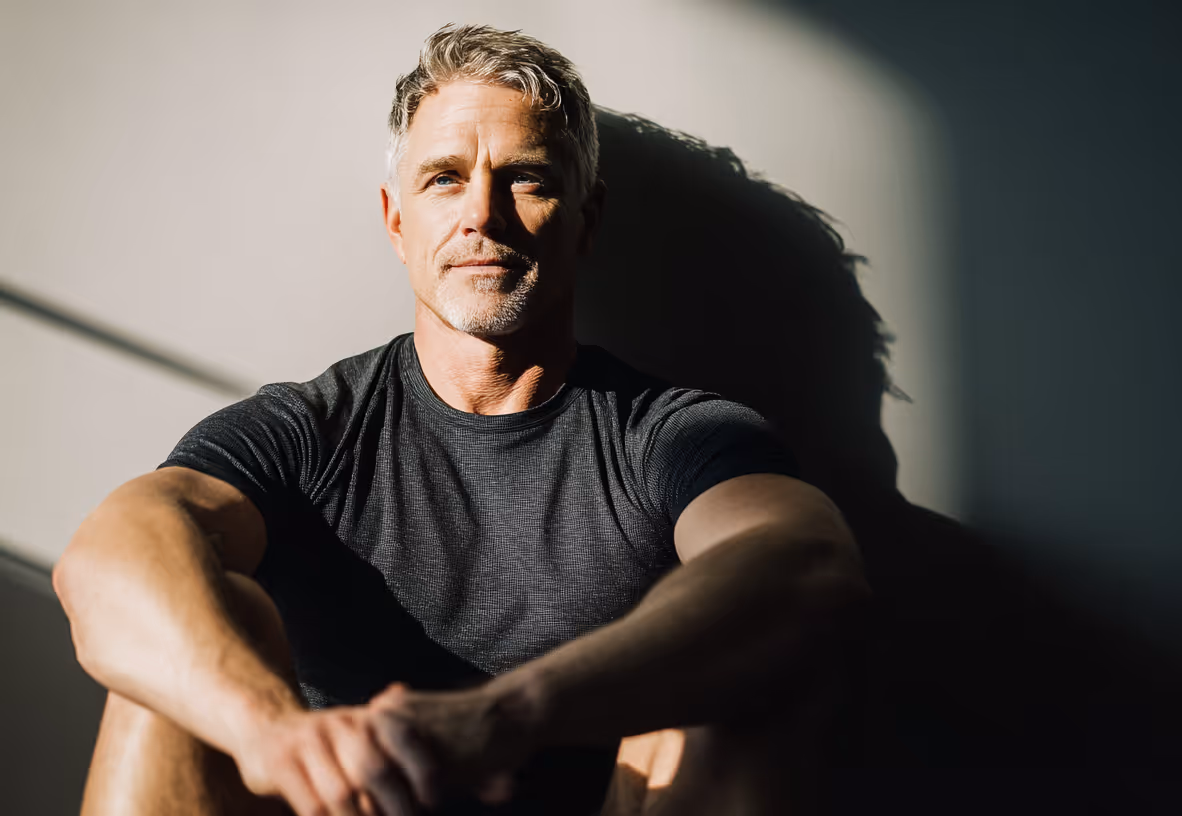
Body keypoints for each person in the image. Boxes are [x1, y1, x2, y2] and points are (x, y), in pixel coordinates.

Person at [53, 23, 870, 816]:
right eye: (444, 177)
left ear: (585, 219)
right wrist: (267, 731)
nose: (483, 214)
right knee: (173, 674)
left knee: (735, 682)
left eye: (528, 179)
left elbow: (807, 565)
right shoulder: (308, 428)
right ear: (396, 220)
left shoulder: (668, 435)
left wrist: (505, 716)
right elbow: (107, 557)